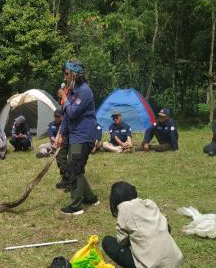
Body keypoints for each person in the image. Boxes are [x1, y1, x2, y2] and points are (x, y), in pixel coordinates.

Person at [102, 181, 183, 268]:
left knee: (107, 242)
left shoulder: (123, 208)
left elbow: (121, 241)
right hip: (175, 261)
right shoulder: (149, 203)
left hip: (152, 265)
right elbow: (167, 227)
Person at [55, 60, 99, 215]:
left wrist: (64, 98)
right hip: (75, 136)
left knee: (74, 169)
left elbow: (73, 112)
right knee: (77, 168)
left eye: (67, 74)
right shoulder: (73, 91)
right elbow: (67, 116)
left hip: (83, 135)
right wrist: (61, 133)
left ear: (75, 74)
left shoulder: (85, 91)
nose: (64, 77)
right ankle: (91, 198)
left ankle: (75, 206)